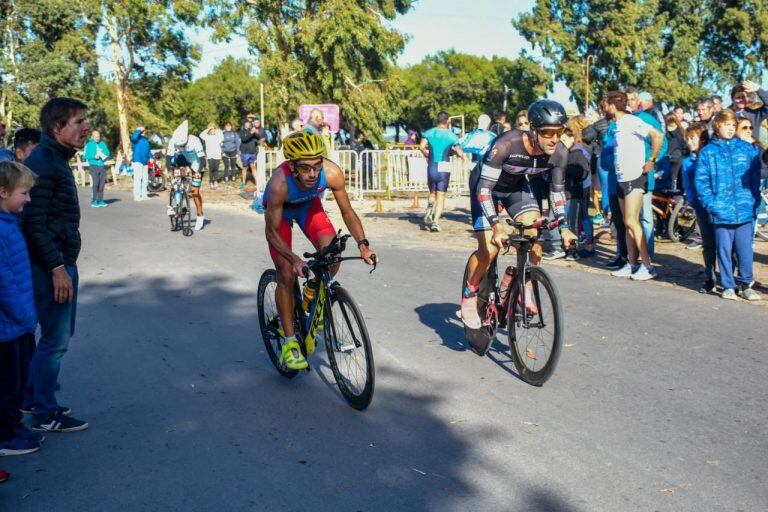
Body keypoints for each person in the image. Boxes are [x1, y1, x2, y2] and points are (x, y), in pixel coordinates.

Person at [262, 131, 377, 370]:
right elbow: (271, 232)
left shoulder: (332, 173)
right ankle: (291, 343)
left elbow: (347, 212)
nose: (313, 173)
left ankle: (313, 293)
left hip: (308, 208)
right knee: (285, 272)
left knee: (332, 254)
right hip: (281, 214)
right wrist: (293, 259)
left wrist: (363, 244)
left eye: (317, 165)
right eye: (305, 168)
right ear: (292, 166)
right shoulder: (279, 184)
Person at [461, 100, 578, 329]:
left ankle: (523, 287)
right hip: (486, 189)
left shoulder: (559, 152)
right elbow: (484, 190)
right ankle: (469, 294)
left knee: (533, 239)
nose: (554, 138)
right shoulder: (507, 144)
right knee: (491, 249)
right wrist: (496, 226)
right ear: (533, 130)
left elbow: (557, 192)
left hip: (515, 189)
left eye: (559, 131)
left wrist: (564, 227)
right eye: (547, 133)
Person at [21, 97, 89, 433]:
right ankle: (44, 414)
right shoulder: (46, 162)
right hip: (53, 266)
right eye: (77, 122)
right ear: (56, 127)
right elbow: (34, 223)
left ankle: (34, 398)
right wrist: (57, 268)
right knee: (55, 340)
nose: (85, 127)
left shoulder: (53, 158)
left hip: (56, 262)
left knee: (54, 337)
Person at [695, 109, 762, 301]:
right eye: (727, 125)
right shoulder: (708, 152)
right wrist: (711, 204)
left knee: (745, 250)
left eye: (733, 125)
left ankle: (746, 284)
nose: (731, 129)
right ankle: (728, 285)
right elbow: (702, 181)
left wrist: (753, 200)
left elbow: (754, 178)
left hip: (744, 209)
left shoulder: (748, 149)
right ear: (717, 126)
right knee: (724, 250)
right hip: (721, 211)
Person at [0, 161, 43, 455]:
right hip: (8, 328)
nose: (28, 199)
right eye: (23, 193)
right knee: (6, 387)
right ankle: (5, 435)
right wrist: (26, 315)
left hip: (19, 326)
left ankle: (13, 425)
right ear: (3, 192)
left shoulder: (10, 224)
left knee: (17, 383)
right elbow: (4, 283)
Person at [604, 91, 663, 281]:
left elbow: (657, 135)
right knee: (627, 223)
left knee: (632, 221)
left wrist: (651, 160)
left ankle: (647, 265)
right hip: (622, 179)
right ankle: (632, 263)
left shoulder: (630, 120)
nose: (603, 106)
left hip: (635, 177)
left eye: (605, 103)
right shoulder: (617, 124)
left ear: (612, 105)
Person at [681, 124, 716, 293]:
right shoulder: (687, 161)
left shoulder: (712, 156)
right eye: (687, 139)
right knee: (708, 245)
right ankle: (710, 277)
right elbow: (688, 187)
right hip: (701, 209)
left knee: (725, 245)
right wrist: (696, 204)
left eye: (692, 138)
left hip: (718, 208)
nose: (689, 142)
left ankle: (728, 277)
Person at [420, 111, 463, 232]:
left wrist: (427, 154)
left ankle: (429, 207)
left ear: (437, 120)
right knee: (441, 196)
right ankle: (435, 222)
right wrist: (455, 153)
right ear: (448, 121)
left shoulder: (429, 133)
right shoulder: (452, 136)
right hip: (444, 167)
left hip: (432, 165)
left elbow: (421, 147)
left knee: (432, 193)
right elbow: (460, 153)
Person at [560, 115, 594, 259]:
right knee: (578, 217)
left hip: (578, 188)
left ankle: (587, 245)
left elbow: (582, 172)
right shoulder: (579, 147)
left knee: (581, 217)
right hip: (578, 187)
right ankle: (582, 244)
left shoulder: (578, 150)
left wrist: (564, 167)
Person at [166, 120, 207, 231]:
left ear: (188, 137)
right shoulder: (174, 139)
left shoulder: (195, 140)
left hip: (197, 163)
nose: (182, 146)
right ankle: (178, 206)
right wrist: (169, 170)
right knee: (176, 179)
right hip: (183, 159)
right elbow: (169, 157)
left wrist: (197, 172)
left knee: (195, 192)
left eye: (183, 145)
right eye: (180, 145)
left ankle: (200, 215)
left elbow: (203, 159)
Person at [83, 130, 111, 207]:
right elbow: (85, 156)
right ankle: (94, 201)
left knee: (102, 184)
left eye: (98, 136)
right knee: (96, 183)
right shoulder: (89, 145)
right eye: (95, 137)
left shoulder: (102, 143)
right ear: (92, 137)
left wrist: (104, 154)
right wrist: (94, 157)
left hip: (101, 165)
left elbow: (108, 153)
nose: (97, 138)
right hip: (93, 165)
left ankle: (101, 200)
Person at [664, 113, 687, 190]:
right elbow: (683, 144)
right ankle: (676, 194)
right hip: (678, 157)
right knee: (675, 177)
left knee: (668, 178)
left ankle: (669, 195)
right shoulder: (680, 130)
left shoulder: (665, 131)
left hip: (666, 156)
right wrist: (684, 153)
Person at [199, 123, 224, 190]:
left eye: (213, 129)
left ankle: (215, 180)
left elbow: (222, 135)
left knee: (216, 168)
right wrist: (208, 129)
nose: (212, 130)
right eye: (211, 129)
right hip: (210, 155)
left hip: (217, 154)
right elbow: (201, 135)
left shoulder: (218, 136)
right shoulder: (206, 136)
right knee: (211, 168)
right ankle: (211, 181)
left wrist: (216, 128)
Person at [130, 126, 151, 201]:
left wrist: (151, 157)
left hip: (145, 161)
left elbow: (148, 150)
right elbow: (133, 137)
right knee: (138, 178)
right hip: (137, 160)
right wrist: (138, 130)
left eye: (144, 131)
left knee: (145, 179)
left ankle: (144, 194)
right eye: (143, 131)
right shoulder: (136, 138)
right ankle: (137, 196)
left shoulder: (146, 140)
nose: (144, 132)